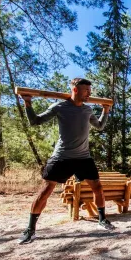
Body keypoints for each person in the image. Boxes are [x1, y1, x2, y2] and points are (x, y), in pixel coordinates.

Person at [17, 78, 115, 245]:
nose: (89, 94)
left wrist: (105, 112)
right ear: (75, 90)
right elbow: (35, 121)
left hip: (84, 157)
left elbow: (99, 126)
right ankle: (30, 229)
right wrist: (28, 103)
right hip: (62, 157)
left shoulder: (87, 110)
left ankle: (102, 219)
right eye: (86, 91)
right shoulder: (60, 107)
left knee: (97, 187)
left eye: (90, 91)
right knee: (46, 190)